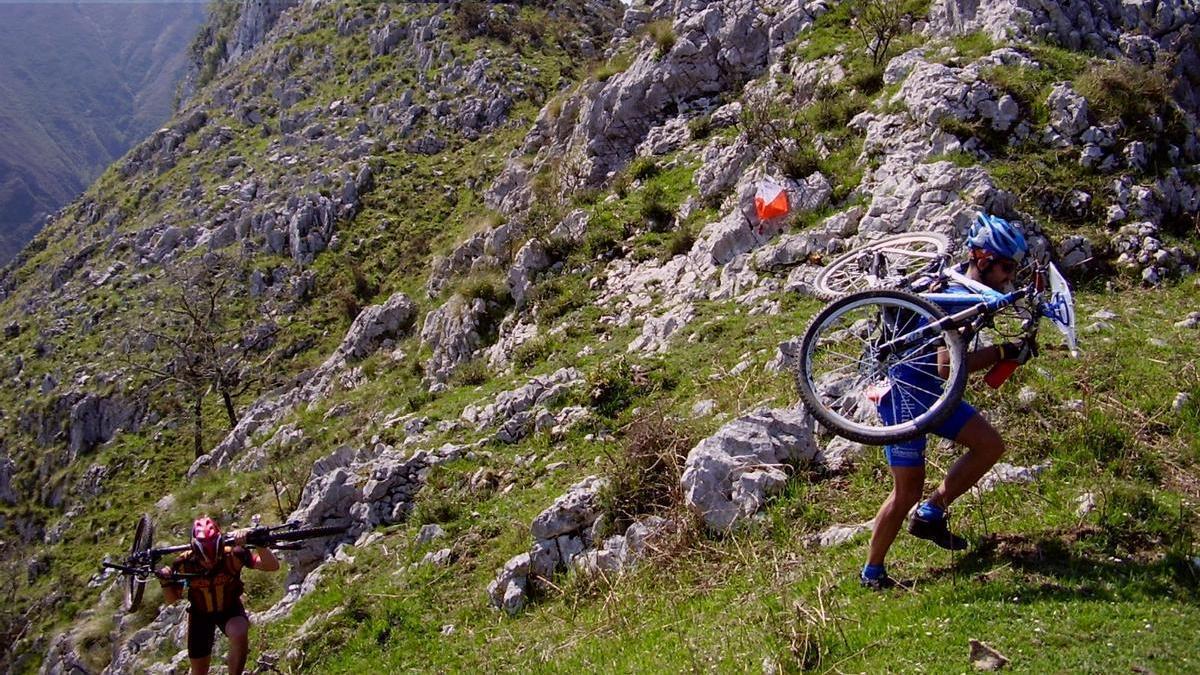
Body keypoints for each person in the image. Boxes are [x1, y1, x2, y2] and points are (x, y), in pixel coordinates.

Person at [860, 214, 1035, 589]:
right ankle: (872, 572)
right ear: (983, 259)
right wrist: (1002, 351)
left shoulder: (962, 287)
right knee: (906, 489)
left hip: (934, 397)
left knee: (989, 445)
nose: (1009, 276)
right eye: (1005, 267)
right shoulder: (954, 299)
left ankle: (931, 513)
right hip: (905, 396)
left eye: (1013, 269)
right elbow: (946, 368)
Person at [157, 516, 280, 674]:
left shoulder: (234, 555)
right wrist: (165, 581)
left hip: (230, 609)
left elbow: (272, 566)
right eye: (203, 559)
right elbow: (172, 599)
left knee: (239, 630)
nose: (209, 563)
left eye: (215, 557)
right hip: (200, 616)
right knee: (198, 671)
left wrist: (260, 545)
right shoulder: (183, 564)